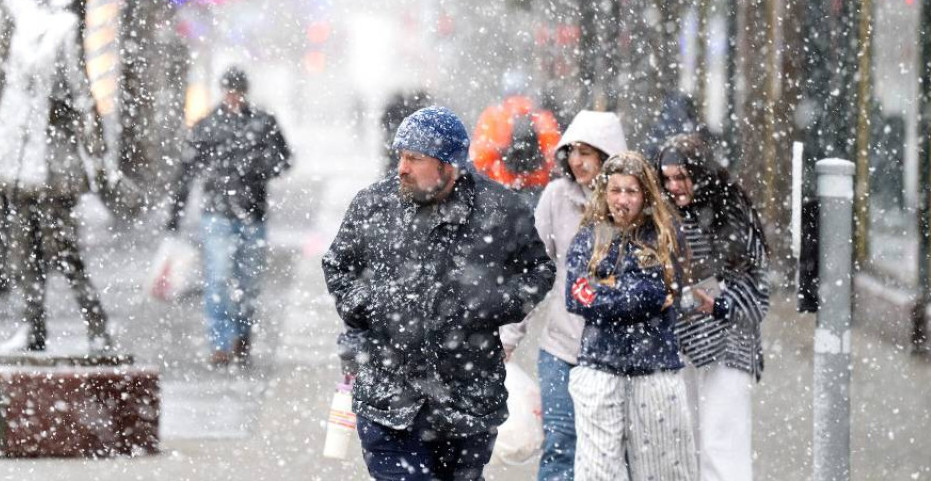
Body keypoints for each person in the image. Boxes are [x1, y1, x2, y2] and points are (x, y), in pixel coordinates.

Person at [322, 106, 555, 480]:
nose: (402, 168)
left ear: (448, 165)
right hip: (388, 397)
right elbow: (338, 265)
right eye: (401, 157)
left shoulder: (500, 210)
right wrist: (368, 306)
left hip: (467, 402)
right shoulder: (375, 205)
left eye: (414, 159)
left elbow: (538, 271)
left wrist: (490, 305)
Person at [499, 110, 627, 481]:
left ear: (608, 156)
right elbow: (532, 271)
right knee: (560, 443)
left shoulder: (628, 201)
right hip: (561, 347)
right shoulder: (557, 197)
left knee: (610, 449)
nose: (576, 161)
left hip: (614, 352)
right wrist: (509, 335)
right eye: (571, 151)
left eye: (586, 152)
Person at [565, 152, 696, 481]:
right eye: (615, 190)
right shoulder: (588, 238)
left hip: (655, 367)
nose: (622, 200)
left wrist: (610, 287)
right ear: (604, 193)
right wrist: (636, 293)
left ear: (646, 194)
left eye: (631, 191)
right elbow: (578, 296)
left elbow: (667, 291)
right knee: (597, 472)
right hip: (598, 364)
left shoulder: (664, 236)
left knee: (665, 471)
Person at [654, 133, 769, 481]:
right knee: (685, 444)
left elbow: (758, 285)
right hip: (682, 342)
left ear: (699, 173)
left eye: (681, 176)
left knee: (723, 445)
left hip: (730, 343)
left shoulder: (730, 211)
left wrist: (723, 305)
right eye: (668, 178)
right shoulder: (663, 215)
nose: (675, 186)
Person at [0, 0, 112, 352]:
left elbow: (81, 93)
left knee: (64, 253)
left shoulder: (64, 26)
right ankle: (32, 328)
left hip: (53, 162)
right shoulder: (16, 20)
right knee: (21, 254)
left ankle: (97, 327)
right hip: (16, 160)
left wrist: (97, 156)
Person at [165, 66, 292, 367]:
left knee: (248, 282)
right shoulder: (208, 126)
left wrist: (258, 166)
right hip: (218, 213)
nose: (233, 97)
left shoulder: (263, 123)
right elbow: (186, 172)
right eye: (229, 91)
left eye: (237, 91)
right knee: (219, 278)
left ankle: (241, 334)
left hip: (252, 213)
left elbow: (284, 159)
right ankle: (221, 342)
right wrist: (175, 215)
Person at [470, 70, 561, 207]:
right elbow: (554, 156)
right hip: (538, 191)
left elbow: (479, 159)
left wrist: (500, 156)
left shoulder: (492, 117)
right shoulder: (542, 117)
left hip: (502, 191)